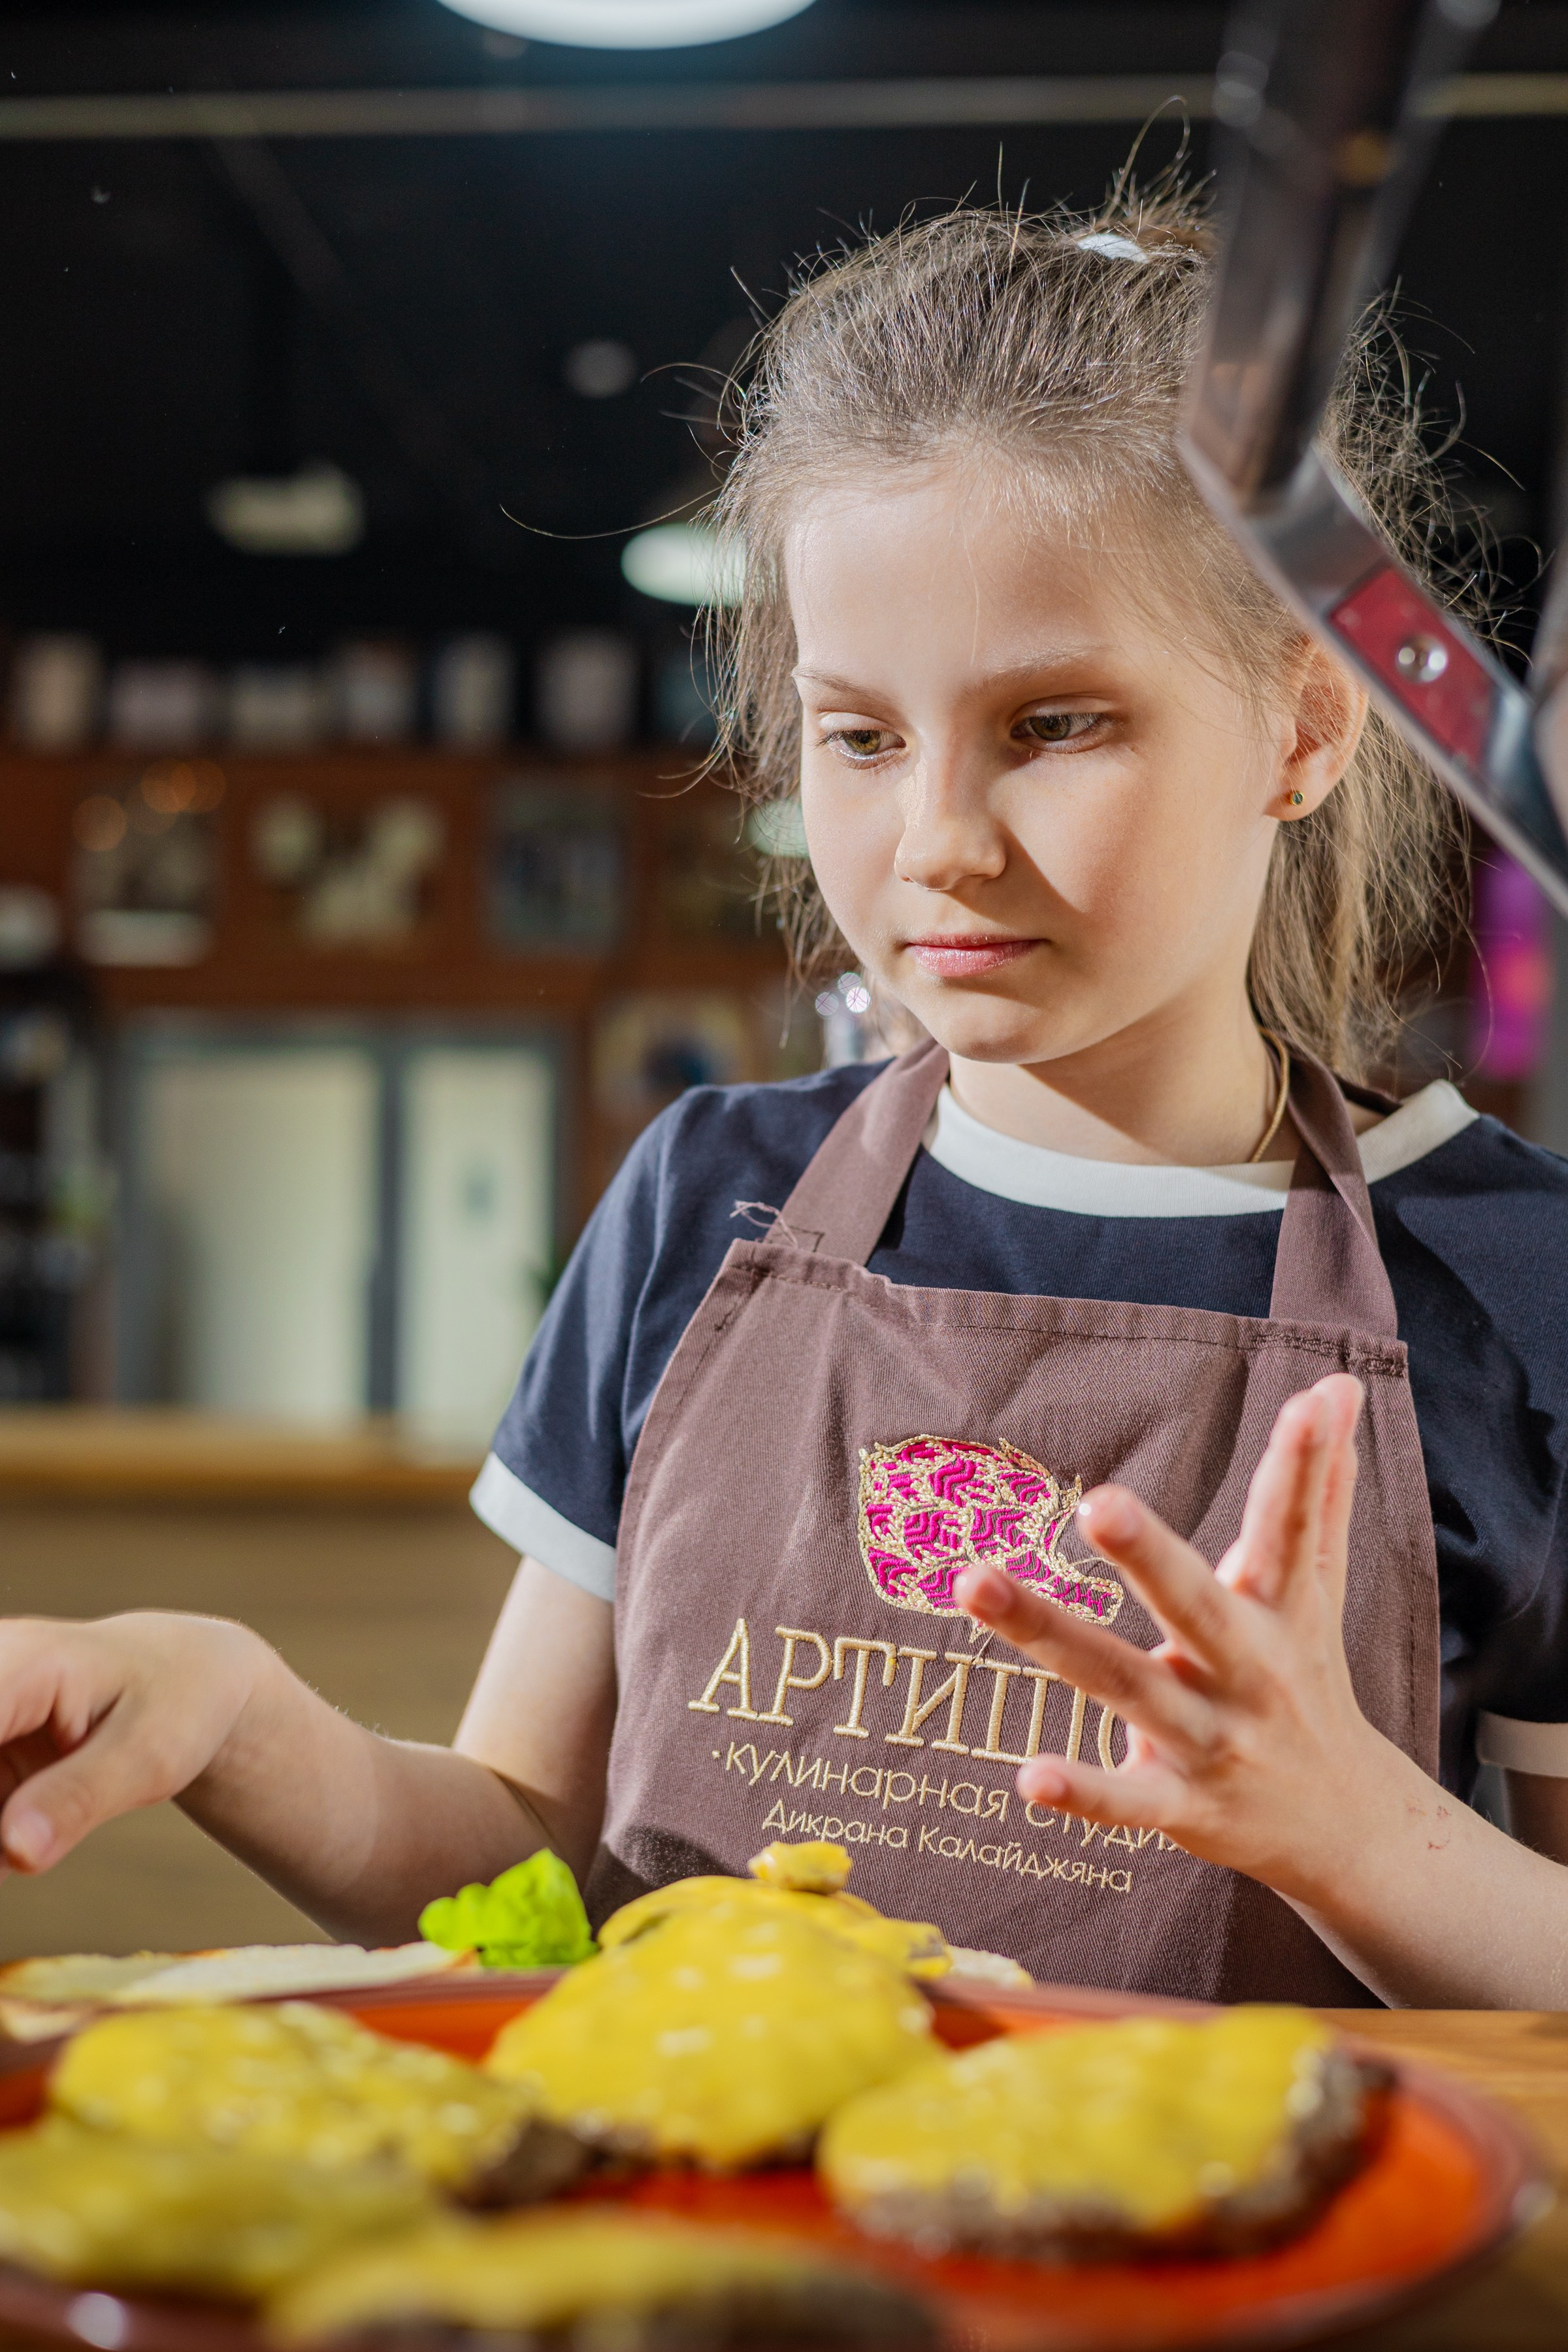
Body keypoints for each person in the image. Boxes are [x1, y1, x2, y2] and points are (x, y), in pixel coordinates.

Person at [7, 191, 1568, 2007]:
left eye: (1056, 723)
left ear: (1304, 726)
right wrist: (237, 1714)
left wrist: (1356, 1834)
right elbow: (531, 1858)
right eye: (861, 734)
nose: (939, 845)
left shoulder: (1516, 1276)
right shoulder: (705, 1195)